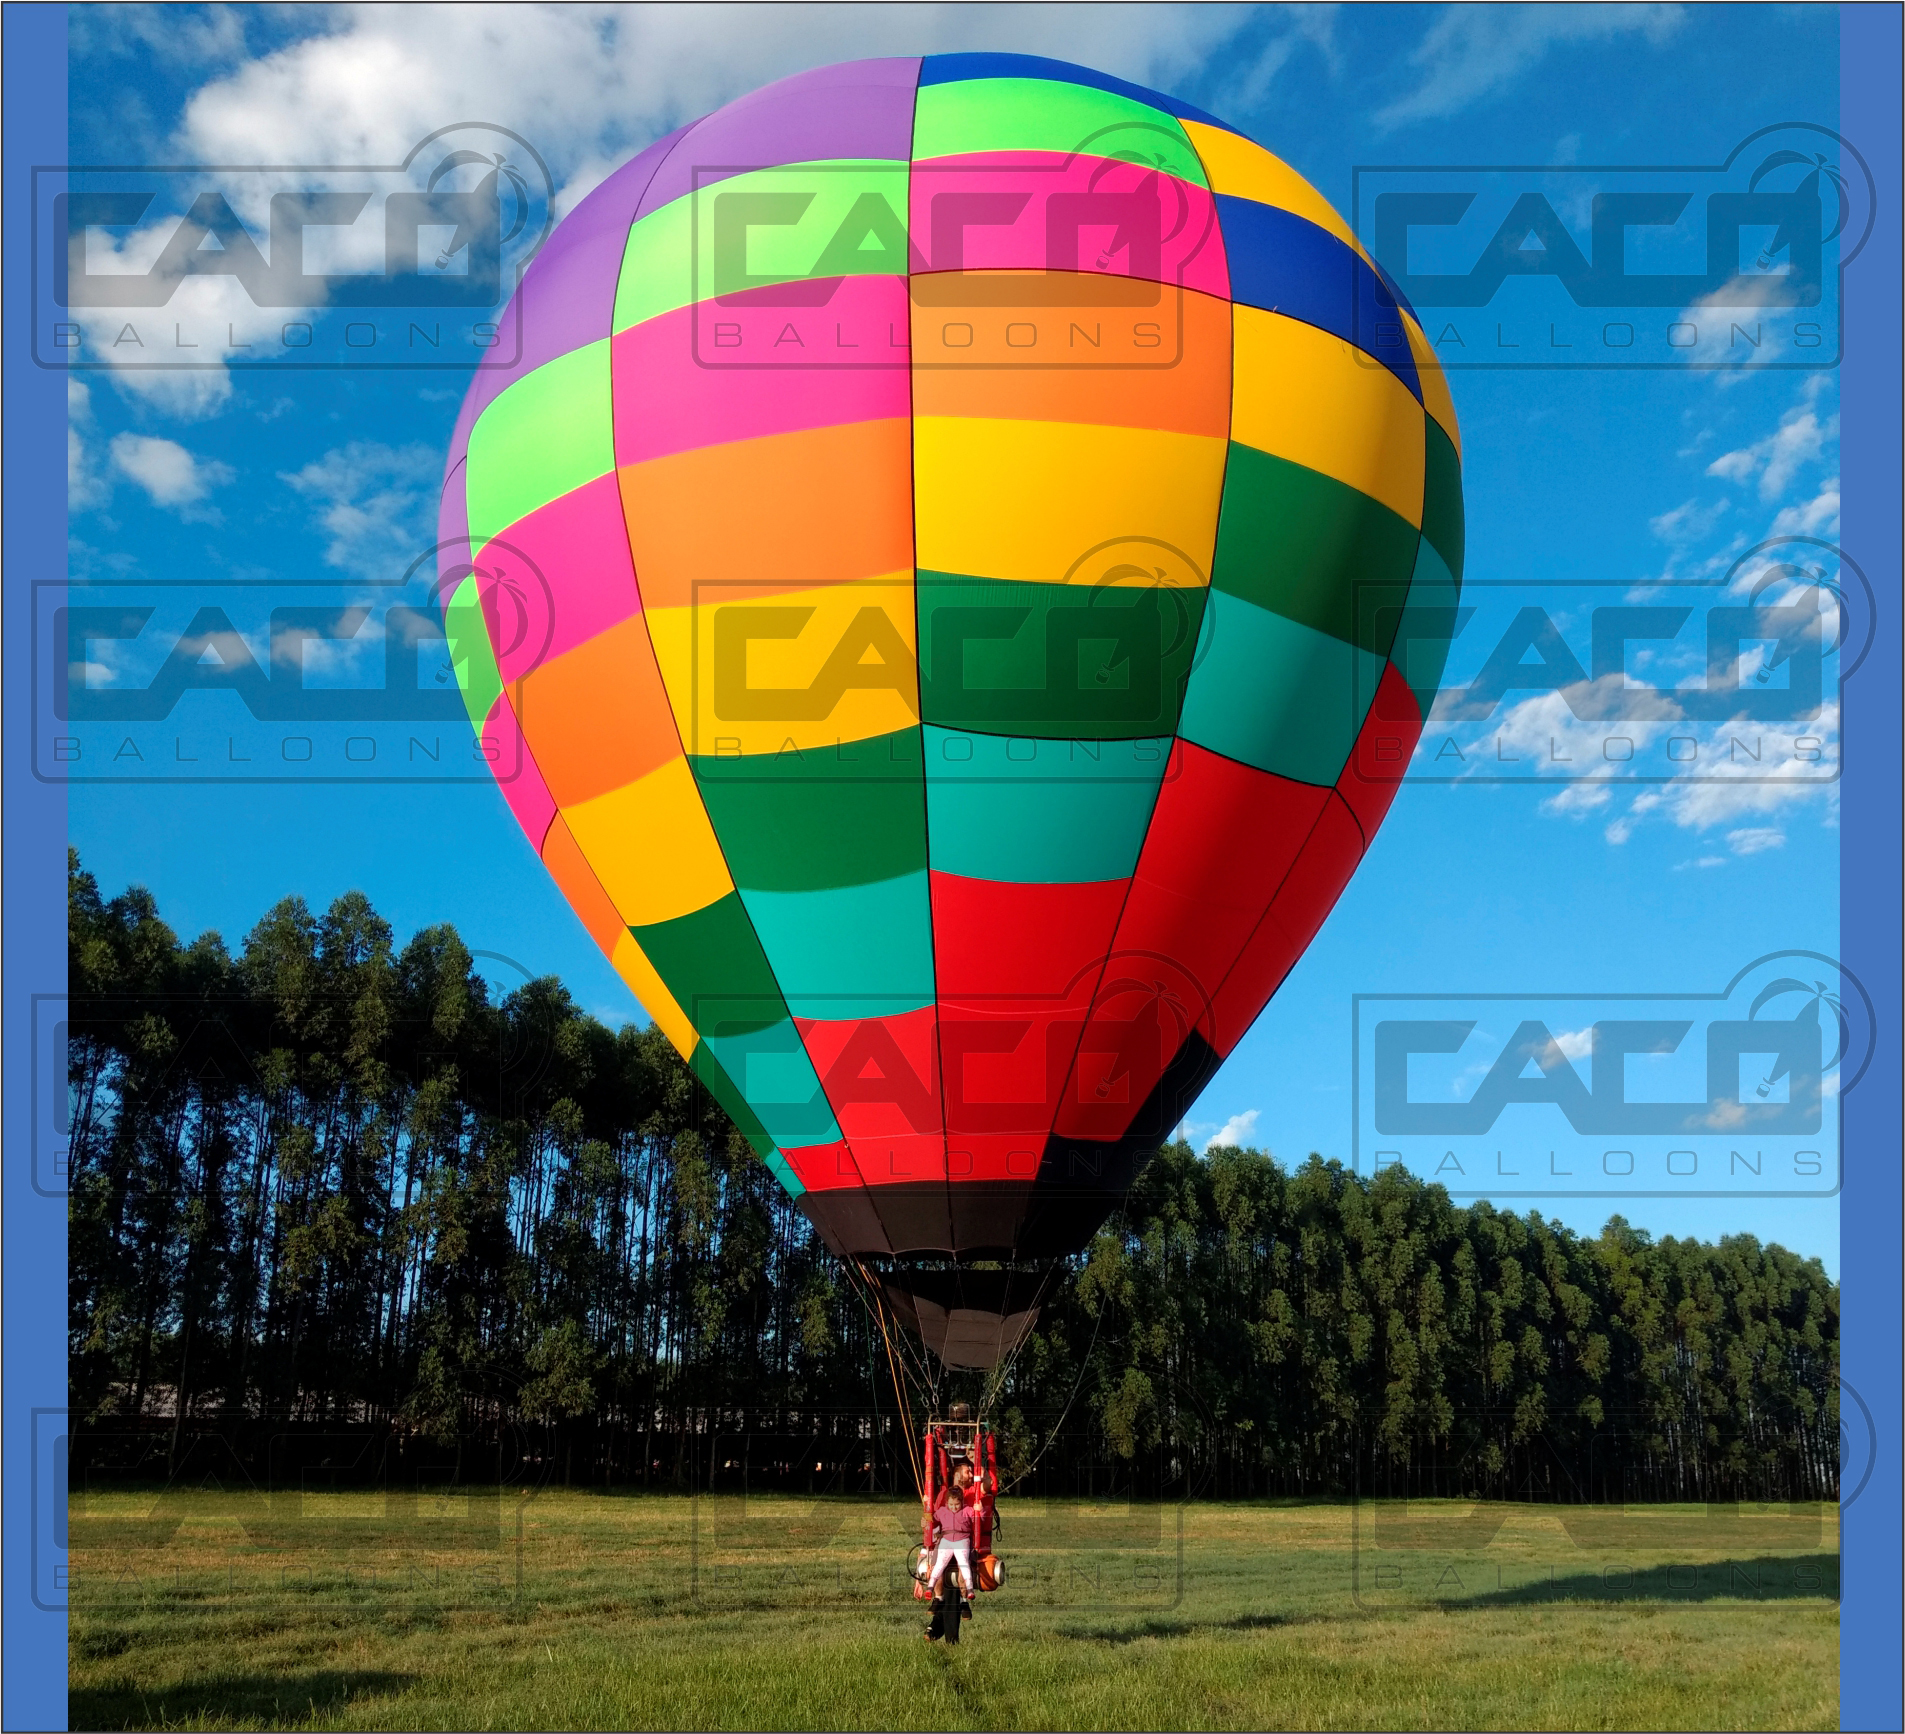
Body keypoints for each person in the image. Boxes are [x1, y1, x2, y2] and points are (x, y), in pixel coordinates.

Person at [922, 1484, 975, 1639]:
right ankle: (935, 1594)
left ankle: (966, 1598)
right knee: (938, 1567)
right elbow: (932, 1519)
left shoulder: (967, 1510)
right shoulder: (943, 1509)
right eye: (951, 1505)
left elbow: (978, 1517)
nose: (954, 1508)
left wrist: (978, 1509)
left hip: (961, 1541)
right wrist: (926, 1508)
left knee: (963, 1568)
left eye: (957, 1504)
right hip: (946, 1542)